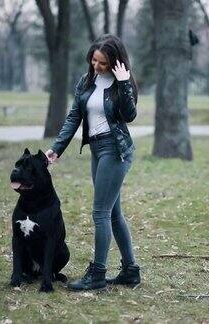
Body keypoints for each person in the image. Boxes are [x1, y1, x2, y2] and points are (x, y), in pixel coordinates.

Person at [45, 34, 141, 291]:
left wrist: (123, 85)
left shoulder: (122, 81)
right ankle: (130, 271)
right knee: (114, 213)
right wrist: (57, 149)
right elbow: (74, 116)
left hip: (115, 149)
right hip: (97, 149)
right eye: (94, 61)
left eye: (103, 63)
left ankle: (97, 274)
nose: (96, 67)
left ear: (114, 63)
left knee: (101, 212)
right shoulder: (87, 81)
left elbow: (129, 115)